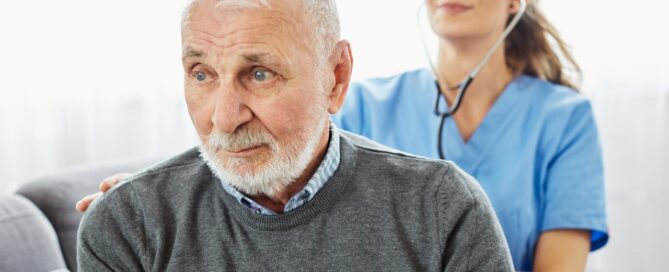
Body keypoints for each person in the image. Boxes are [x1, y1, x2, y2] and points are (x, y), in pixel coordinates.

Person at [77, 0, 609, 270]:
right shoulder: (372, 101)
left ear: (336, 80)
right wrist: (159, 202)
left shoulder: (552, 125)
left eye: (260, 73)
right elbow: (290, 168)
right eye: (201, 74)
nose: (224, 117)